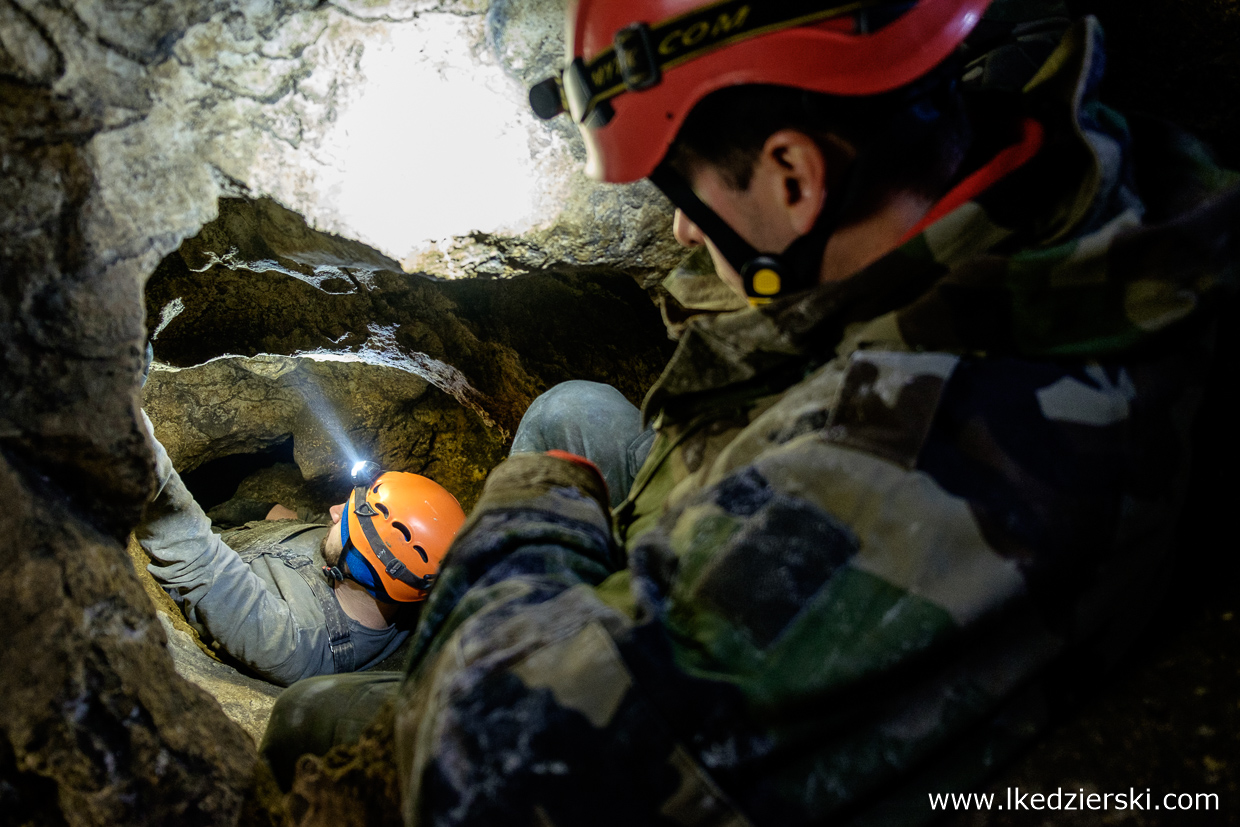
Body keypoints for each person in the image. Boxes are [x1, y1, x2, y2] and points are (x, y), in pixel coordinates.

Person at [284, 0, 1240, 822]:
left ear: (793, 174)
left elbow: (493, 771)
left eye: (683, 187)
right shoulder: (1025, 145)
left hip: (785, 580)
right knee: (578, 410)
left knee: (312, 718)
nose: (682, 228)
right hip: (769, 464)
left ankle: (438, 649)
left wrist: (535, 505)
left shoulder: (913, 455)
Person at [135, 415, 466, 688]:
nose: (334, 511)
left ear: (364, 566)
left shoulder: (292, 643)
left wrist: (134, 436)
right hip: (236, 534)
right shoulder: (360, 571)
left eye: (345, 522)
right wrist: (257, 509)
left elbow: (192, 555)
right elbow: (299, 520)